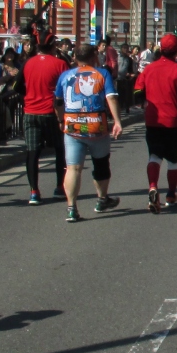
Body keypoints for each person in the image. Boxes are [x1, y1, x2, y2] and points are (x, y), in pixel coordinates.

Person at [54, 43, 123, 223]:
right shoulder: (102, 74)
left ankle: (71, 208)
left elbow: (58, 101)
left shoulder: (65, 76)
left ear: (75, 57)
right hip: (96, 125)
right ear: (94, 56)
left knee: (73, 168)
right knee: (101, 164)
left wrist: (61, 120)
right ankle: (102, 199)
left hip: (72, 126)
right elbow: (111, 98)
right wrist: (117, 121)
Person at [133, 33, 177, 213]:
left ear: (160, 49)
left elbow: (137, 91)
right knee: (173, 158)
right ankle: (170, 194)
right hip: (174, 119)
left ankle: (153, 186)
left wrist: (143, 103)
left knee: (154, 155)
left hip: (153, 119)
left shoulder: (149, 69)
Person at [18, 34, 68, 204]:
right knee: (60, 150)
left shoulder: (27, 63)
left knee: (32, 152)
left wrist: (29, 94)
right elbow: (67, 88)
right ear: (53, 46)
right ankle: (59, 187)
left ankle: (34, 191)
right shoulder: (60, 64)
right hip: (52, 113)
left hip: (30, 112)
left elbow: (17, 85)